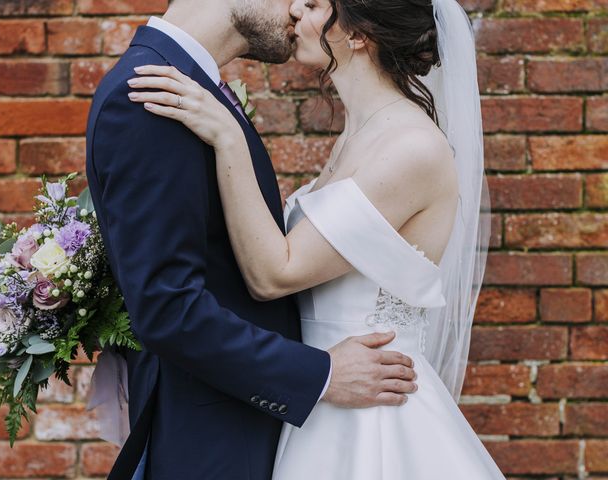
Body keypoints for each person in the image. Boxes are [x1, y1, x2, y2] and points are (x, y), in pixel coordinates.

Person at [127, 0, 506, 478]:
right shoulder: (360, 135)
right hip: (320, 400)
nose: (294, 12)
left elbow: (274, 274)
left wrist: (228, 137)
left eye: (314, 6)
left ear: (358, 35)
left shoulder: (412, 147)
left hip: (370, 418)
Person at [85, 0, 420, 479]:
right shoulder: (149, 94)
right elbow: (167, 308)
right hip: (212, 444)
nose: (301, 8)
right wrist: (320, 375)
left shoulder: (190, 87)